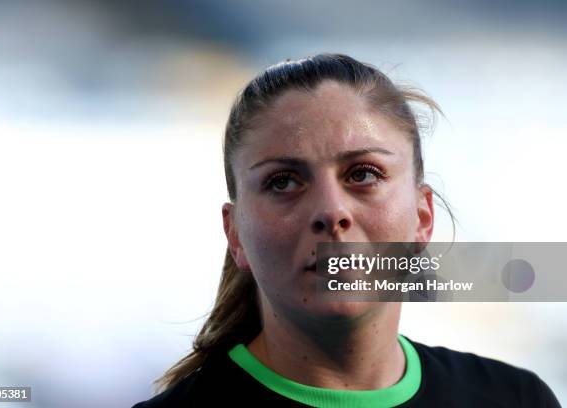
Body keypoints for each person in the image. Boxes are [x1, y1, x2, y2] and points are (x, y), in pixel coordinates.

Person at [131, 53, 561, 407]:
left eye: (364, 174)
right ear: (235, 234)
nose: (330, 210)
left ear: (423, 217)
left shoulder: (517, 399)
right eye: (283, 181)